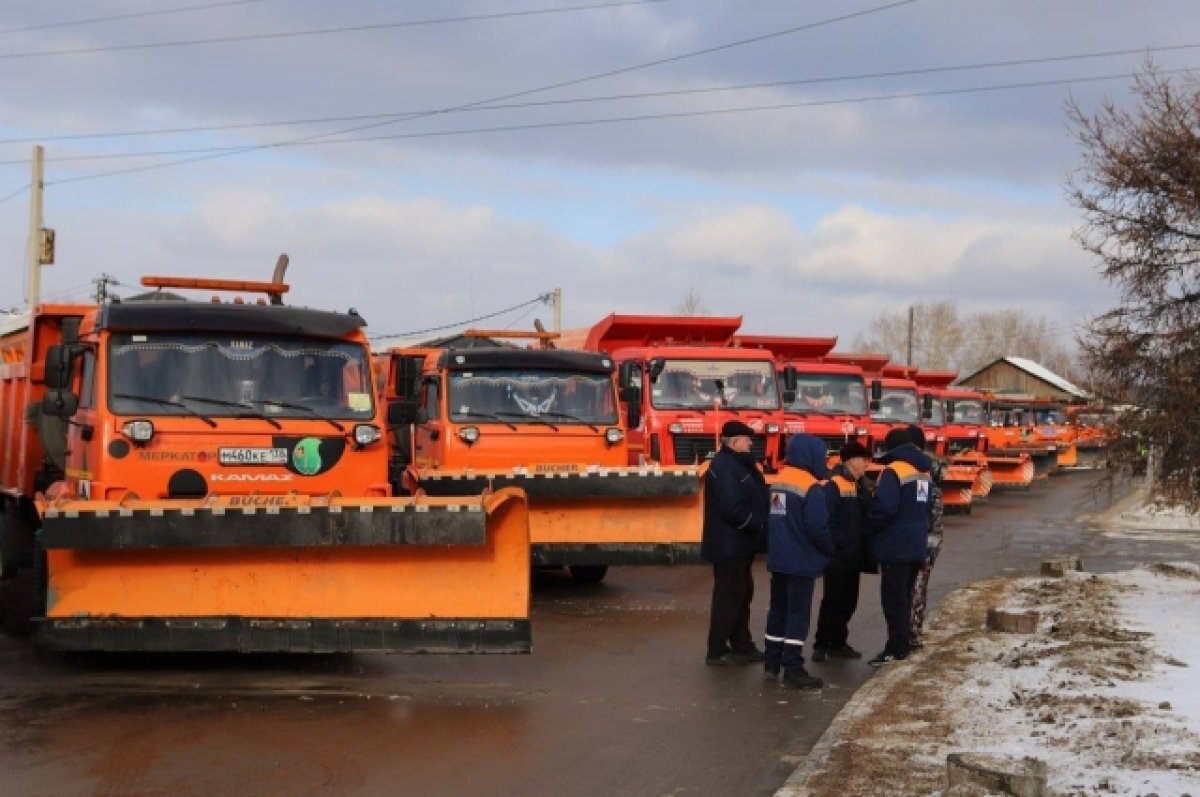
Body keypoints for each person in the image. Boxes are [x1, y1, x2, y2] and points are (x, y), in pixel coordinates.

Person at [763, 434, 834, 689]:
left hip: (779, 559)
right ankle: (793, 667)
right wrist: (830, 550)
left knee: (778, 611)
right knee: (798, 614)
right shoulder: (810, 487)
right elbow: (818, 528)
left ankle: (771, 662)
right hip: (801, 561)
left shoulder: (779, 482)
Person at [701, 420, 769, 666]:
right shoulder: (724, 467)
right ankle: (717, 649)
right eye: (748, 439)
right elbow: (732, 509)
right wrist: (758, 524)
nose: (751, 443)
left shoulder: (738, 464)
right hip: (729, 544)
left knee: (742, 595)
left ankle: (742, 646)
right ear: (735, 442)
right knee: (729, 598)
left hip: (740, 543)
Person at [864, 427, 932, 667]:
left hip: (895, 546)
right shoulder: (923, 472)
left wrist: (868, 525)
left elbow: (885, 508)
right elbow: (926, 509)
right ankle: (903, 643)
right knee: (904, 596)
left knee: (893, 600)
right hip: (916, 544)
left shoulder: (894, 471)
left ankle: (896, 648)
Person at [812, 440, 873, 662]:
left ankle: (838, 642)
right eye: (863, 459)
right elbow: (828, 520)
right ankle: (821, 645)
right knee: (833, 601)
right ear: (851, 461)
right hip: (838, 555)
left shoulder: (860, 484)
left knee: (849, 601)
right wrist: (842, 542)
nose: (866, 464)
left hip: (853, 554)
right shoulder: (834, 484)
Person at [906, 425, 945, 650]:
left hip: (923, 535)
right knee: (920, 587)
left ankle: (911, 635)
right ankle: (914, 631)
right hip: (933, 534)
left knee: (912, 587)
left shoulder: (918, 467)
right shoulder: (933, 467)